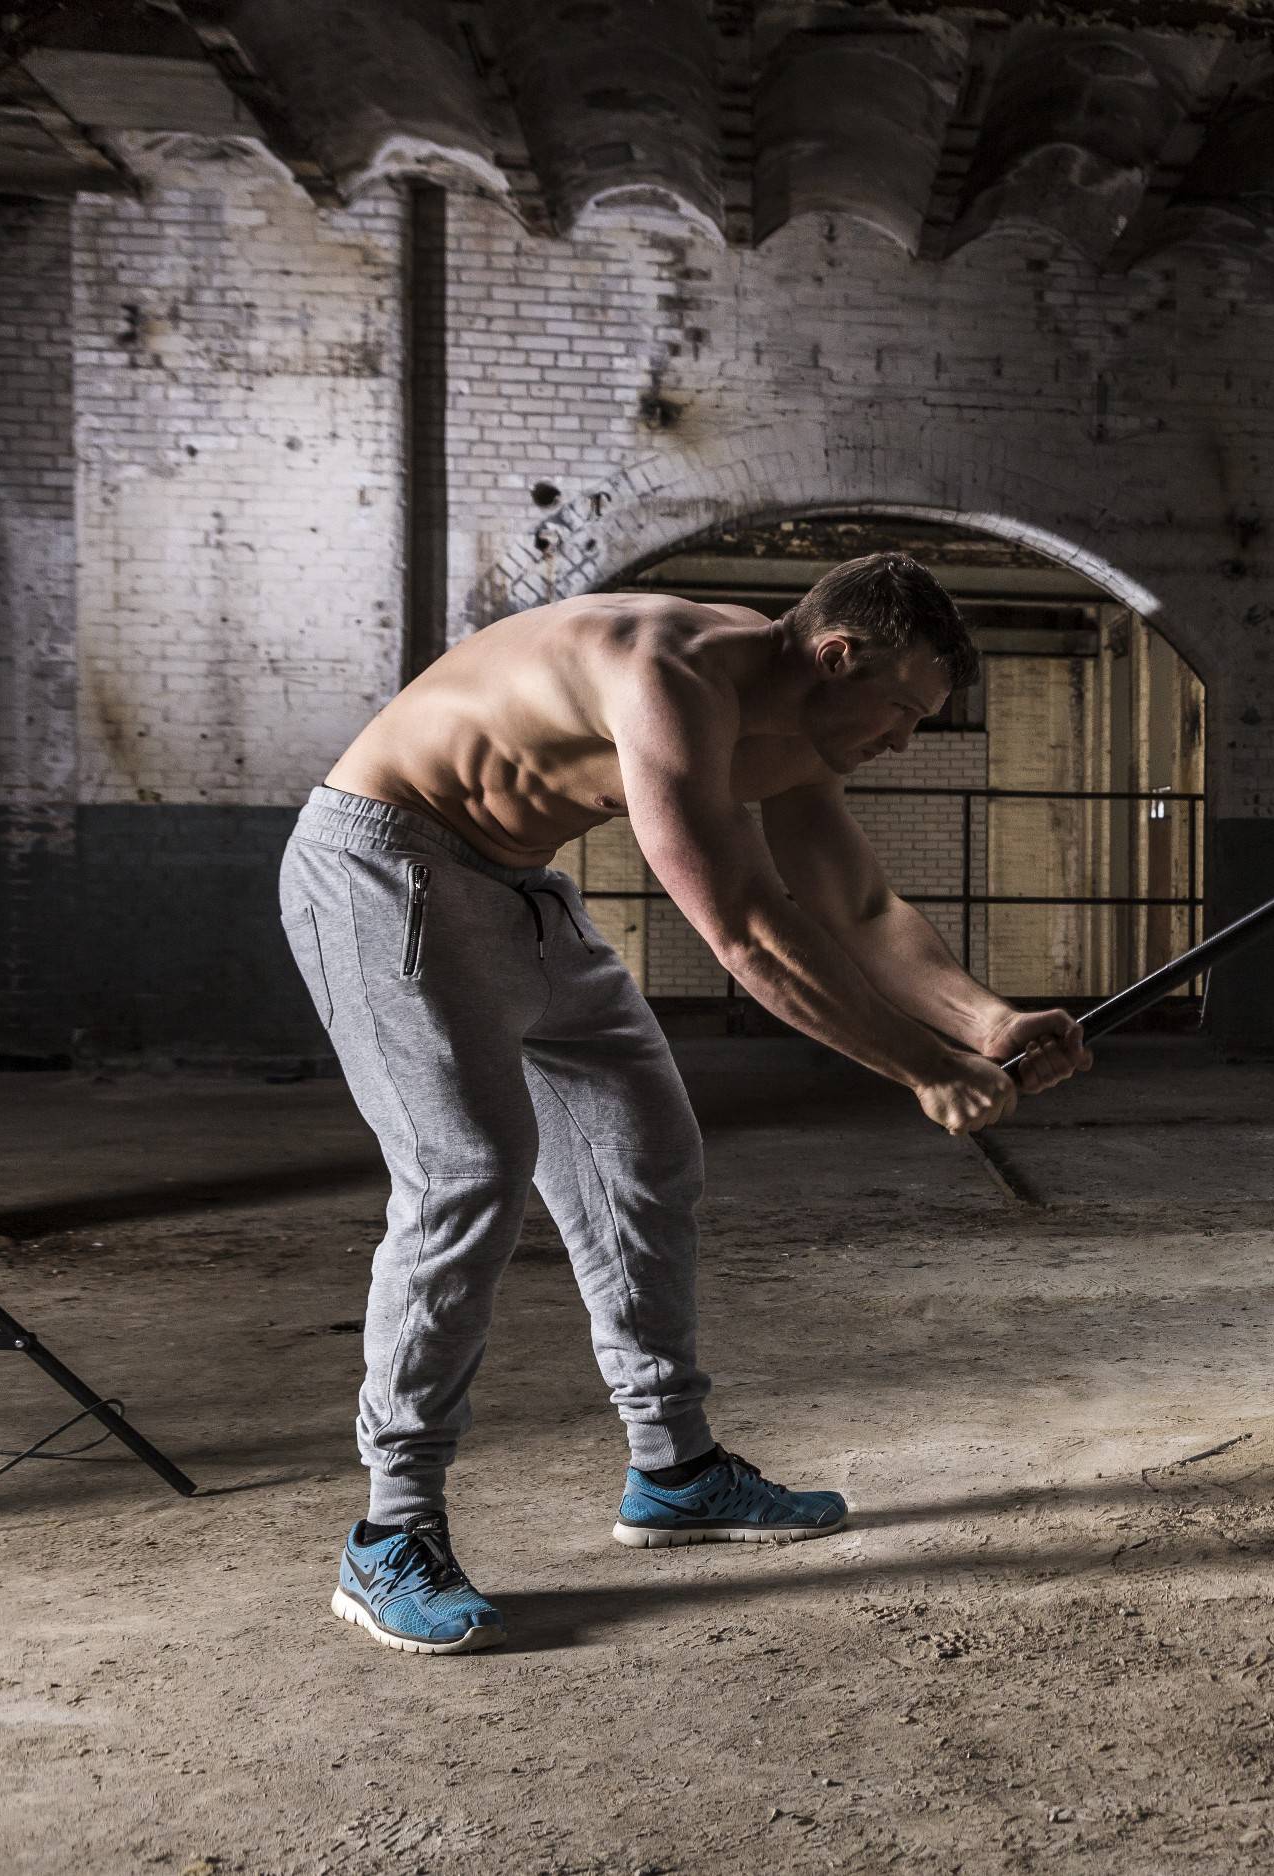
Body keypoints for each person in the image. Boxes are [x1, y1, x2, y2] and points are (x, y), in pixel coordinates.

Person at [279, 551, 1090, 1655]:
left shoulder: (794, 723)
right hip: (387, 869)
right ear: (836, 655)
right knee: (465, 1174)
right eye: (902, 711)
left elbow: (856, 904)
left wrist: (985, 1025)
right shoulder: (668, 674)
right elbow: (747, 926)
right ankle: (391, 1530)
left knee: (642, 1149)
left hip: (518, 888)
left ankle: (674, 1471)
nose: (904, 739)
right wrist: (921, 1067)